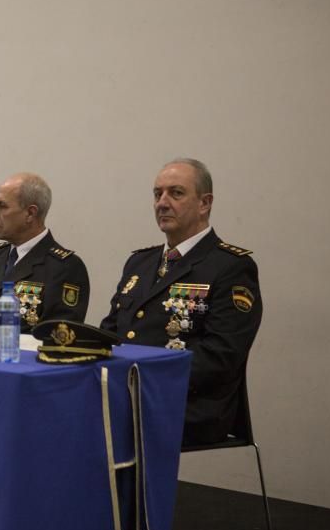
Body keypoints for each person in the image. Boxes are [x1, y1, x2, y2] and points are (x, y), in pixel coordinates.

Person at [99, 158, 262, 446]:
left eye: (176, 193)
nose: (162, 202)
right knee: (61, 405)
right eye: (157, 193)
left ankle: (121, 492)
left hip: (189, 403)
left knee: (96, 421)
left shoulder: (230, 266)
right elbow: (110, 332)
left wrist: (140, 380)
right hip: (128, 391)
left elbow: (221, 355)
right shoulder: (139, 262)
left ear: (204, 203)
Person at [0, 173, 89, 330]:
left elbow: (55, 340)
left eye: (2, 206)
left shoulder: (65, 267)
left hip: (21, 354)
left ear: (30, 213)